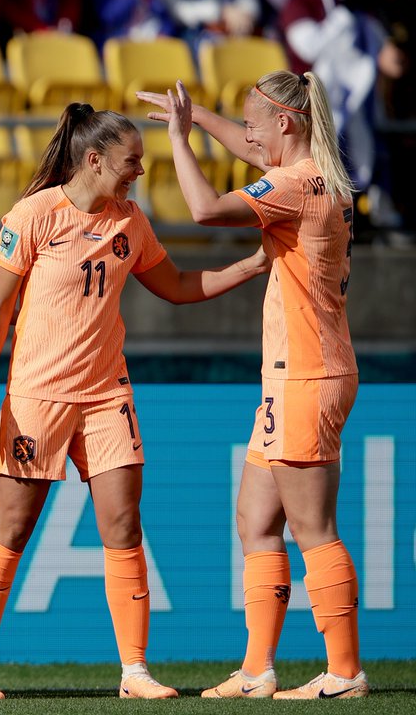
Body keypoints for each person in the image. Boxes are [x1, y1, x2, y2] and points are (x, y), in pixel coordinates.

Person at [0, 101, 270, 700]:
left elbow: (178, 286)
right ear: (95, 160)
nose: (141, 172)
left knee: (124, 526)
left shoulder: (132, 222)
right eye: (133, 162)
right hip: (37, 394)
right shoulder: (31, 216)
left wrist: (254, 262)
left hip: (107, 394)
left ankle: (134, 672)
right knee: (13, 528)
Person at [138, 73, 367, 699]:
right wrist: (199, 114)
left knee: (313, 526)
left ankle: (345, 672)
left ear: (286, 125)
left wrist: (183, 139)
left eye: (255, 127)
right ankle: (258, 670)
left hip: (307, 372)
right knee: (256, 520)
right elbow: (253, 148)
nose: (248, 138)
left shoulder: (293, 185)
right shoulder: (318, 175)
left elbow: (206, 210)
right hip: (299, 372)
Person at [277, 0, 406, 228]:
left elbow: (387, 58)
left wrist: (383, 47)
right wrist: (341, 22)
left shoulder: (356, 0)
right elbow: (306, 46)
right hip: (311, 104)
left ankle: (368, 218)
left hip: (356, 104)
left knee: (372, 153)